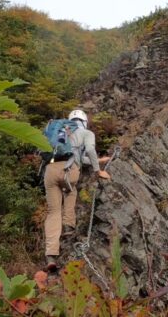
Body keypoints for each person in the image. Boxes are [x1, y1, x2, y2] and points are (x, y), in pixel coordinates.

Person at [43, 109, 111, 272]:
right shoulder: (86, 133)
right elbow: (89, 150)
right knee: (71, 191)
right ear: (84, 121)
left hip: (50, 171)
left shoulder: (61, 131)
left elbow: (78, 155)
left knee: (53, 212)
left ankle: (51, 255)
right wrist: (98, 170)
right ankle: (68, 226)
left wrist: (99, 160)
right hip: (69, 171)